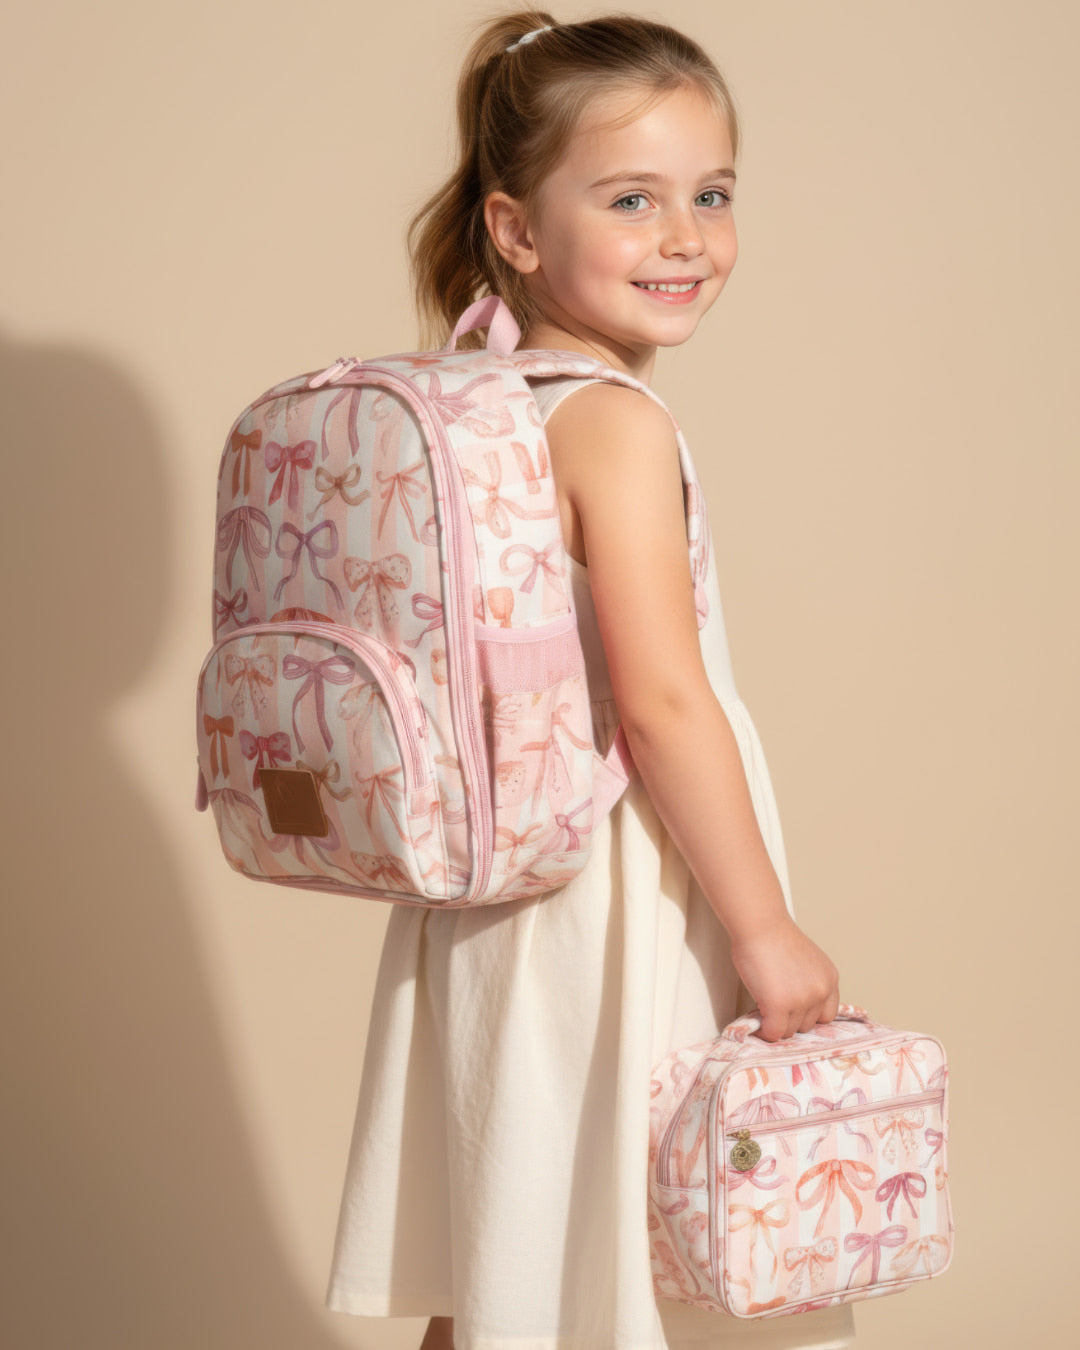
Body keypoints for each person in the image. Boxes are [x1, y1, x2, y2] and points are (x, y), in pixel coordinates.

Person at [326, 12, 853, 1349]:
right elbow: (663, 705)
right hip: (615, 890)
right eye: (631, 200)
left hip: (501, 890)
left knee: (508, 1258)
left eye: (711, 195)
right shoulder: (614, 422)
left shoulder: (486, 395)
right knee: (607, 1255)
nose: (685, 237)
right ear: (515, 229)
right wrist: (764, 929)